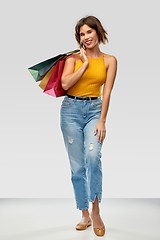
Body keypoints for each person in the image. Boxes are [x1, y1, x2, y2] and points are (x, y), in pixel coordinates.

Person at [60, 16, 117, 237]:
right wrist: (84, 64)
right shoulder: (73, 59)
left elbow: (108, 92)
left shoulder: (110, 60)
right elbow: (66, 84)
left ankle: (96, 211)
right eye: (82, 34)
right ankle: (83, 213)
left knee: (93, 157)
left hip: (95, 110)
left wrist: (102, 120)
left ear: (98, 32)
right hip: (70, 111)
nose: (86, 37)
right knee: (77, 166)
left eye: (89, 32)